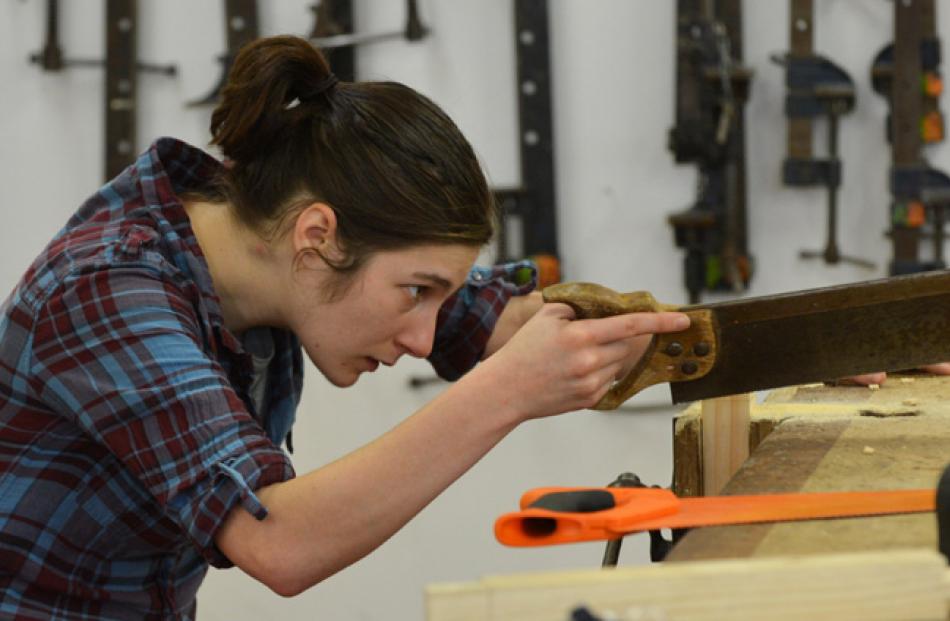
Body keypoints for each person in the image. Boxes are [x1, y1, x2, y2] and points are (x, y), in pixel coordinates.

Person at [0, 36, 691, 619]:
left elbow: (491, 318)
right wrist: (508, 392)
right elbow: (280, 541)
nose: (424, 336)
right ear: (318, 235)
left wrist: (611, 328)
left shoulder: (264, 252)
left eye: (435, 296)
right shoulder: (108, 288)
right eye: (414, 292)